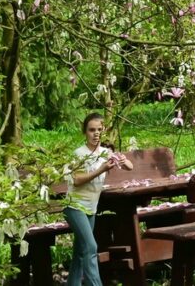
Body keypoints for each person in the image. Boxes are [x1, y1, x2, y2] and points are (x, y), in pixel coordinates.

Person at [64, 113, 133, 286]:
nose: (95, 134)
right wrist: (101, 169)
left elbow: (130, 167)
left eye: (99, 130)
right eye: (91, 130)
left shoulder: (105, 152)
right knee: (91, 247)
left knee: (80, 253)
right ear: (85, 132)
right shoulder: (79, 154)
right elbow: (77, 180)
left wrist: (123, 160)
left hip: (91, 208)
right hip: (74, 207)